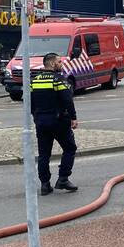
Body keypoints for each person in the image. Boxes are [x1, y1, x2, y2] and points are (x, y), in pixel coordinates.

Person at [30, 53, 79, 195]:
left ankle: (45, 185)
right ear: (52, 64)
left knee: (44, 154)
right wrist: (73, 117)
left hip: (41, 121)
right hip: (58, 121)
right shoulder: (58, 80)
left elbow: (30, 102)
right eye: (59, 62)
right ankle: (63, 178)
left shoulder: (34, 80)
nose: (61, 64)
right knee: (70, 148)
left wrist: (35, 117)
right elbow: (67, 100)